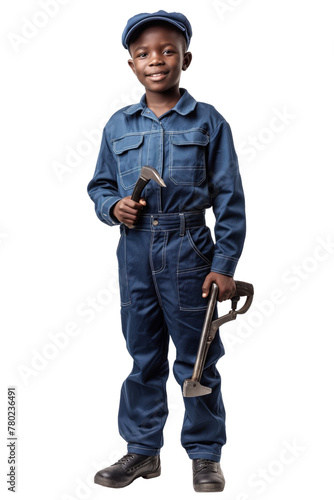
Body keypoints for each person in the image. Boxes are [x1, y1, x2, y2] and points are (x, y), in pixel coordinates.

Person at [87, 10, 246, 493]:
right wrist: (114, 207)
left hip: (190, 245)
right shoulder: (118, 124)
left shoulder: (209, 121)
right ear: (131, 65)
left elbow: (230, 201)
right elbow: (98, 186)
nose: (156, 60)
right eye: (143, 54)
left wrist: (224, 266)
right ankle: (142, 452)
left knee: (198, 359)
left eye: (167, 50)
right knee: (143, 356)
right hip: (135, 251)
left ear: (186, 59)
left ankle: (204, 455)